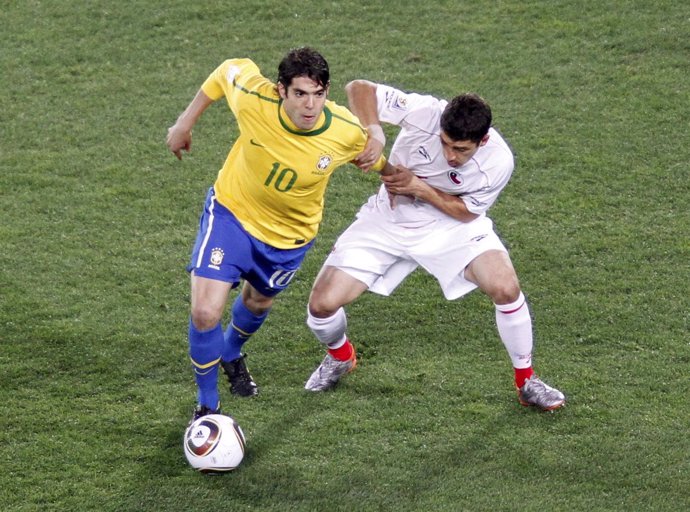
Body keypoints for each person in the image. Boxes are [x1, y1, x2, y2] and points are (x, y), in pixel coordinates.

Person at [304, 79, 566, 411]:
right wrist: (376, 132)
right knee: (321, 306)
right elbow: (359, 88)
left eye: (461, 150)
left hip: (450, 227)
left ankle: (527, 381)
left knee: (505, 286)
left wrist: (420, 187)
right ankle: (341, 357)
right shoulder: (425, 112)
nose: (450, 155)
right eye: (445, 144)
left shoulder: (498, 161)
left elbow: (466, 212)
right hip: (388, 219)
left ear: (482, 140)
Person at [166, 49, 390, 422]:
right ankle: (207, 405)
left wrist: (401, 177)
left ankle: (231, 353)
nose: (310, 105)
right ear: (280, 90)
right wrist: (184, 124)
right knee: (206, 311)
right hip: (231, 215)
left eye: (317, 94)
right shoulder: (255, 97)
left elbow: (376, 163)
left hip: (289, 238)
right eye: (300, 94)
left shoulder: (345, 130)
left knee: (256, 303)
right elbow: (226, 69)